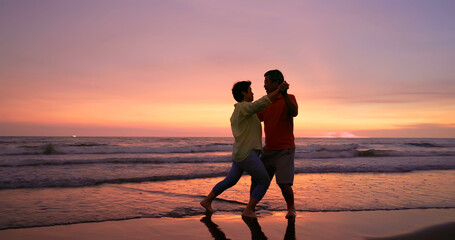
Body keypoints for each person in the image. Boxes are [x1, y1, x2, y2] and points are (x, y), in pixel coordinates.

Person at [201, 80, 288, 218]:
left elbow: (259, 108)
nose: (252, 92)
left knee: (230, 181)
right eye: (250, 90)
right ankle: (248, 210)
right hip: (248, 154)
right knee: (264, 181)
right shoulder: (244, 108)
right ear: (243, 92)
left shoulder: (237, 112)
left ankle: (207, 200)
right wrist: (277, 91)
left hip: (239, 154)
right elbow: (260, 104)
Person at [255, 69, 298, 219]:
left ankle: (291, 209)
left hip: (285, 149)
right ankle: (251, 206)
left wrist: (284, 94)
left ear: (275, 83)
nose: (264, 85)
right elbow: (255, 118)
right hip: (268, 150)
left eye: (266, 82)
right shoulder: (265, 101)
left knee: (284, 183)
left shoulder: (290, 97)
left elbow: (294, 113)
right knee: (258, 179)